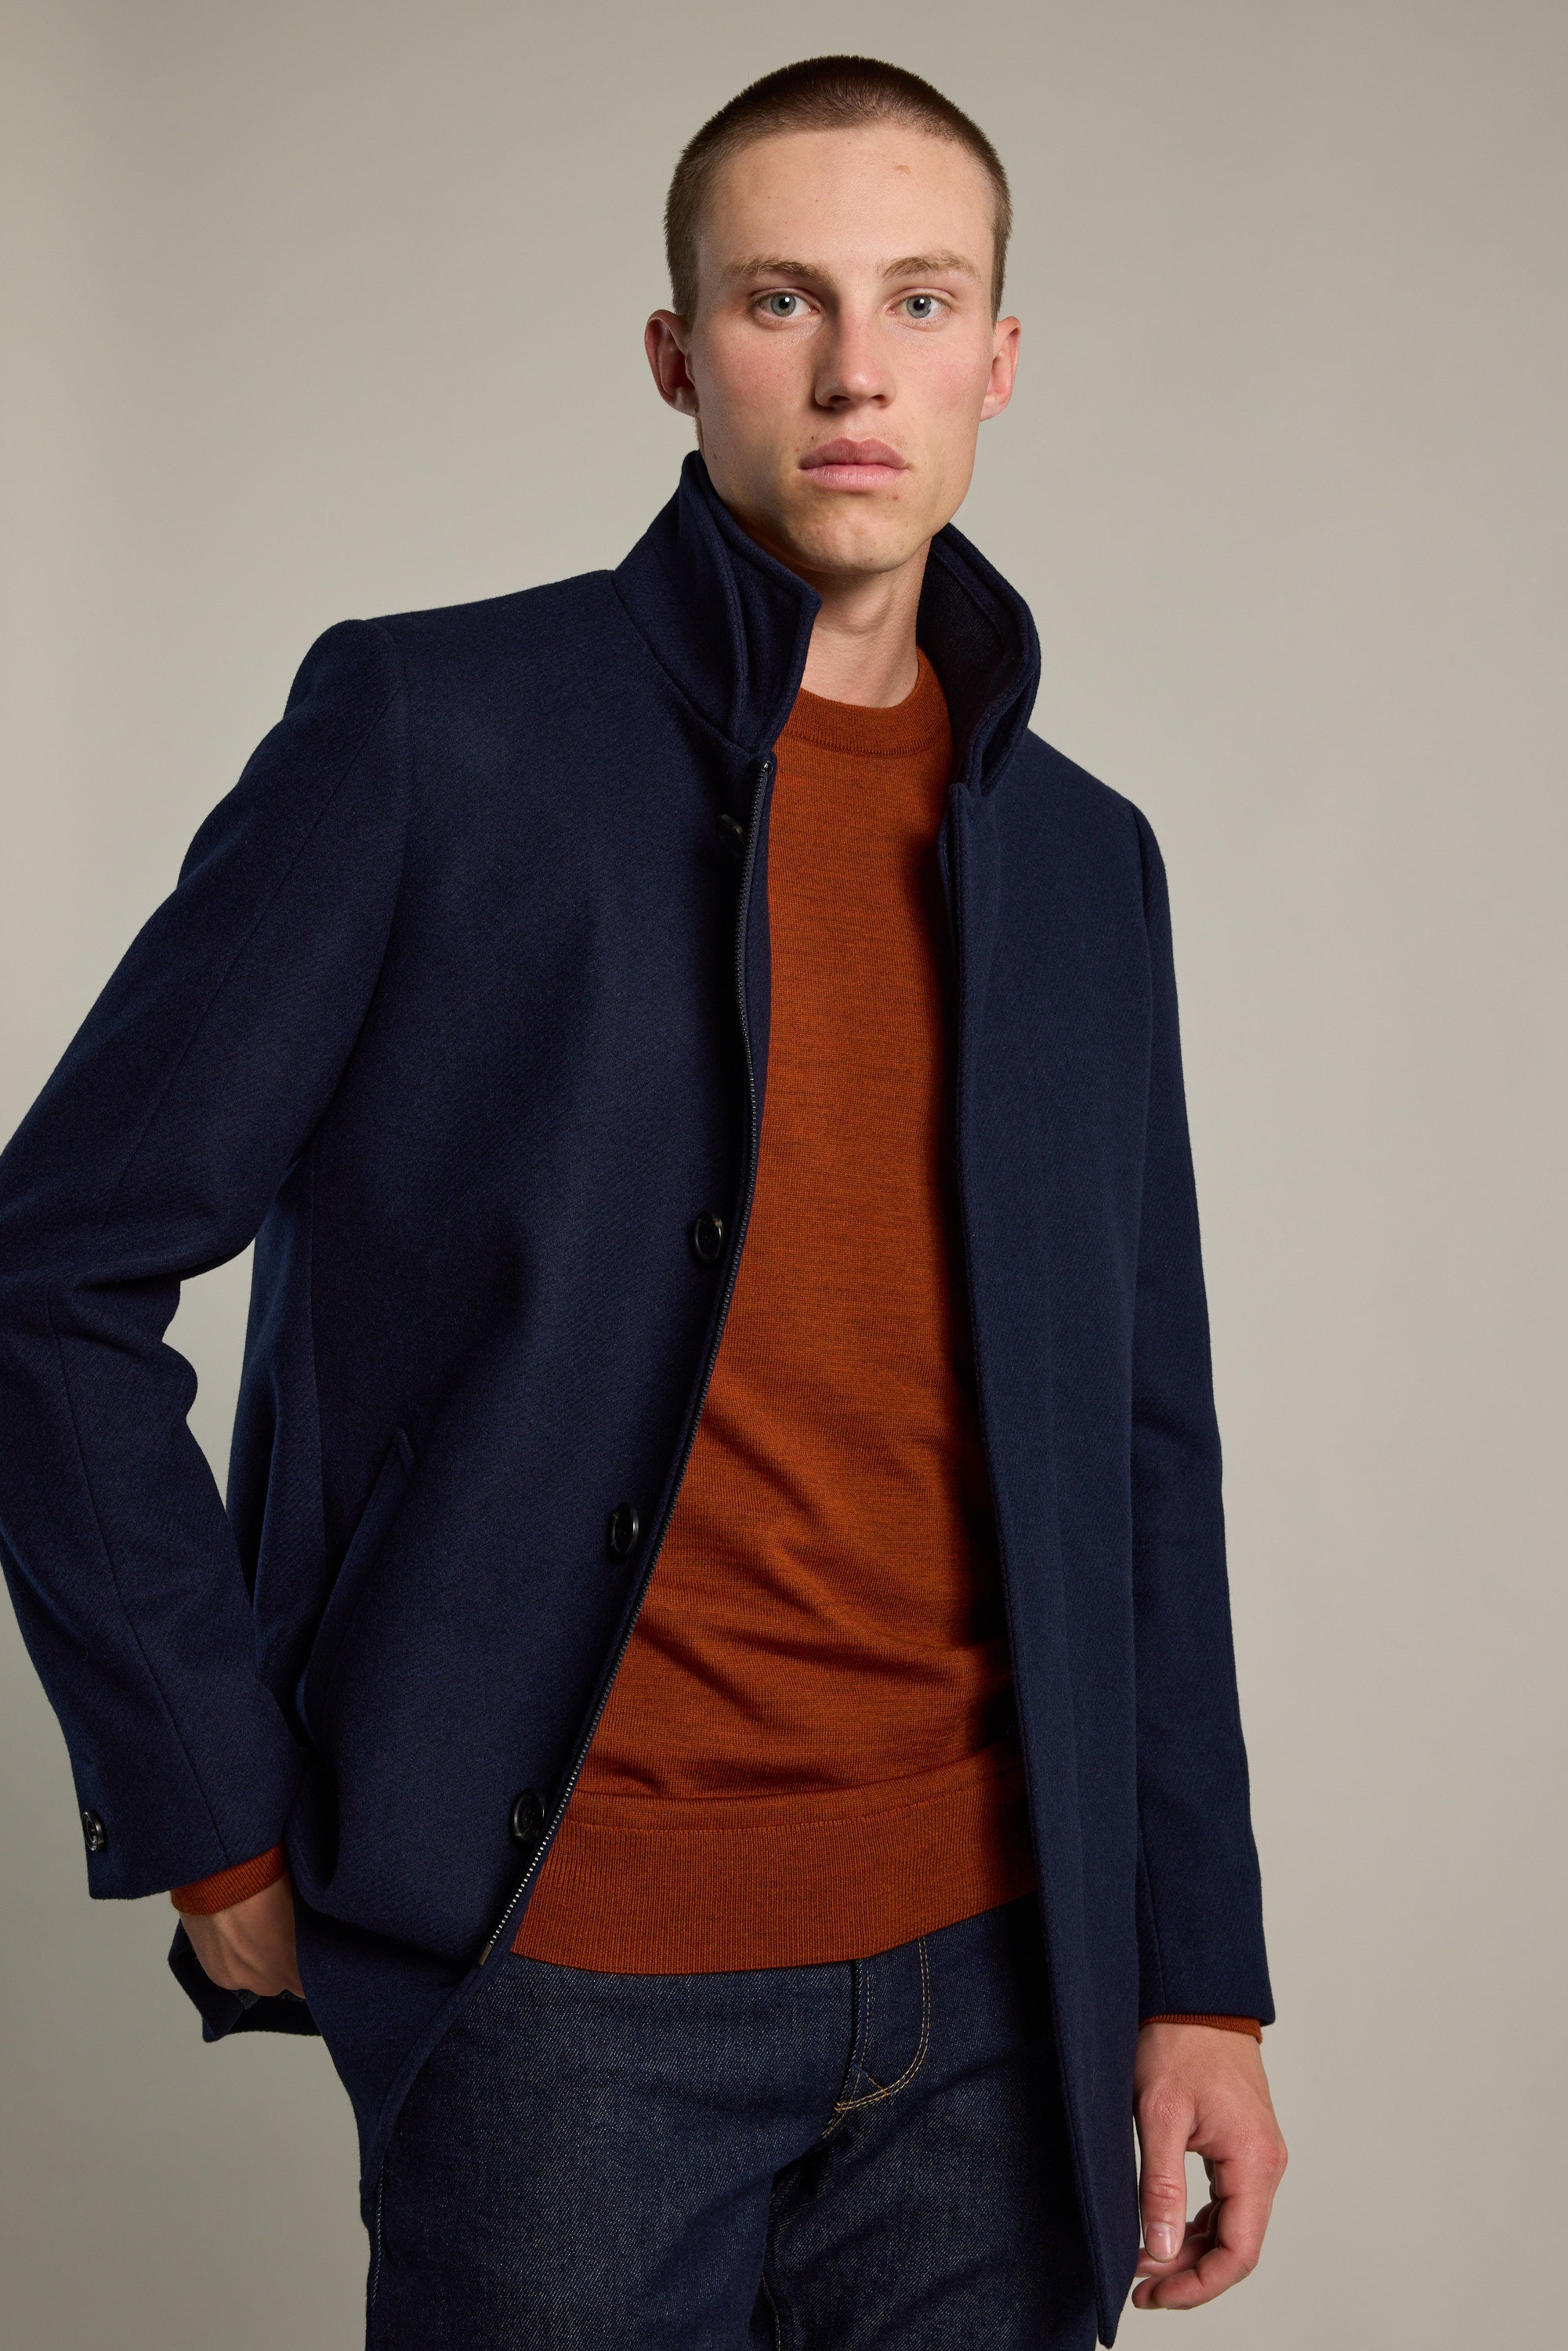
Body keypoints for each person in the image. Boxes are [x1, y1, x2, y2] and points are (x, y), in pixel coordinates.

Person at [0, 53, 1284, 2349]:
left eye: (920, 299)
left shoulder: (1086, 865)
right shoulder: (430, 736)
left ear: (999, 356)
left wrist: (1198, 1975)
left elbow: (1140, 1448)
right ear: (678, 354)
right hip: (568, 1998)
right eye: (783, 300)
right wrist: (205, 1815)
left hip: (1007, 1994)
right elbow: (50, 1279)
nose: (858, 367)